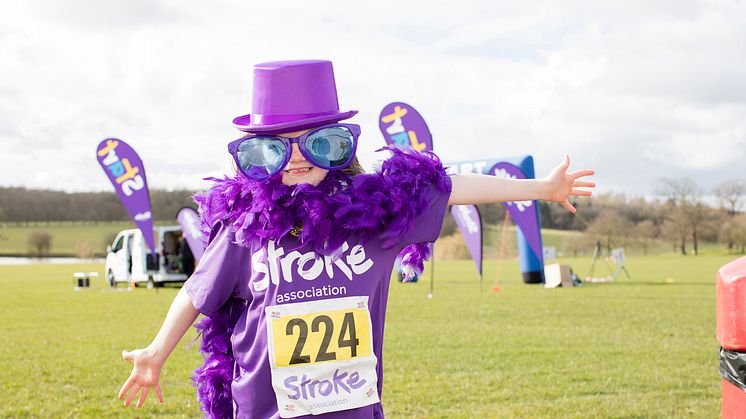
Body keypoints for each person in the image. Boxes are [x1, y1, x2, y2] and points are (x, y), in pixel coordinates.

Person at [117, 60, 595, 418]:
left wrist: (540, 189)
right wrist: (156, 352)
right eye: (276, 146)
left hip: (351, 408)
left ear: (339, 143)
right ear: (257, 153)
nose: (297, 158)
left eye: (317, 142)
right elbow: (197, 292)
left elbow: (449, 187)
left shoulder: (378, 216)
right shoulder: (247, 229)